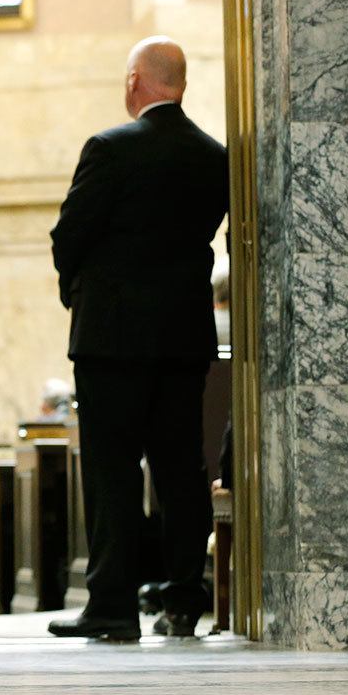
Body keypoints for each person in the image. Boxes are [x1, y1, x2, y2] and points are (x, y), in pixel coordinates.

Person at [47, 36, 228, 641]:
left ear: (134, 83)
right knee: (182, 469)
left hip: (111, 340)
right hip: (182, 338)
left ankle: (113, 608)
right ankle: (182, 602)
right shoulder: (214, 156)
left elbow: (68, 235)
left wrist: (79, 292)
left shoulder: (109, 147)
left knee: (113, 472)